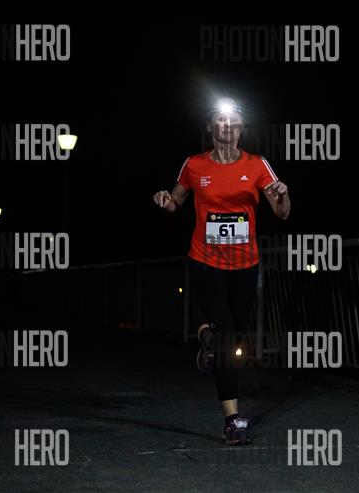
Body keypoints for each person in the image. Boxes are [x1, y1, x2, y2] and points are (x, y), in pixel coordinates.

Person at [154, 98, 290, 445]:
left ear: (241, 128)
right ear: (210, 127)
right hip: (206, 260)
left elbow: (282, 212)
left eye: (233, 120)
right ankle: (232, 420)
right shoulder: (194, 165)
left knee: (234, 337)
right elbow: (176, 202)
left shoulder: (257, 165)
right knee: (228, 337)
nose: (227, 125)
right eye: (220, 120)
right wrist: (166, 202)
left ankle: (206, 338)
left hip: (245, 264)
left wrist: (282, 195)